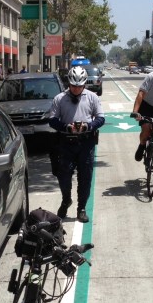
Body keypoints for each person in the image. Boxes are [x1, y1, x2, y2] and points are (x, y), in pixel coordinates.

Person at [48, 66, 105, 223]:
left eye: (79, 86)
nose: (76, 89)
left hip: (86, 143)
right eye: (73, 85)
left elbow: (101, 118)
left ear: (85, 84)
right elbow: (52, 120)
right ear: (69, 83)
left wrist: (89, 126)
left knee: (85, 177)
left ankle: (81, 208)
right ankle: (66, 200)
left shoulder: (92, 97)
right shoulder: (59, 98)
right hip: (65, 143)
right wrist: (66, 127)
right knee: (63, 176)